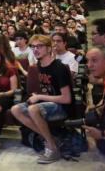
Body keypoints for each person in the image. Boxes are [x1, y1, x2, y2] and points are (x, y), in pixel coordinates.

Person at [10, 34, 73, 164]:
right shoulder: (39, 66)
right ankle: (51, 139)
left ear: (49, 48)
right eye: (33, 47)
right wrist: (38, 97)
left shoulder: (59, 67)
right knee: (15, 109)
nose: (35, 50)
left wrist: (39, 97)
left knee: (33, 109)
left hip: (63, 107)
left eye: (39, 46)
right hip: (48, 103)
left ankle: (52, 148)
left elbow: (67, 99)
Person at [83, 47, 105, 156]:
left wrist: (102, 133)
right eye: (88, 61)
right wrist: (96, 110)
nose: (89, 65)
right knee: (91, 116)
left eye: (94, 60)